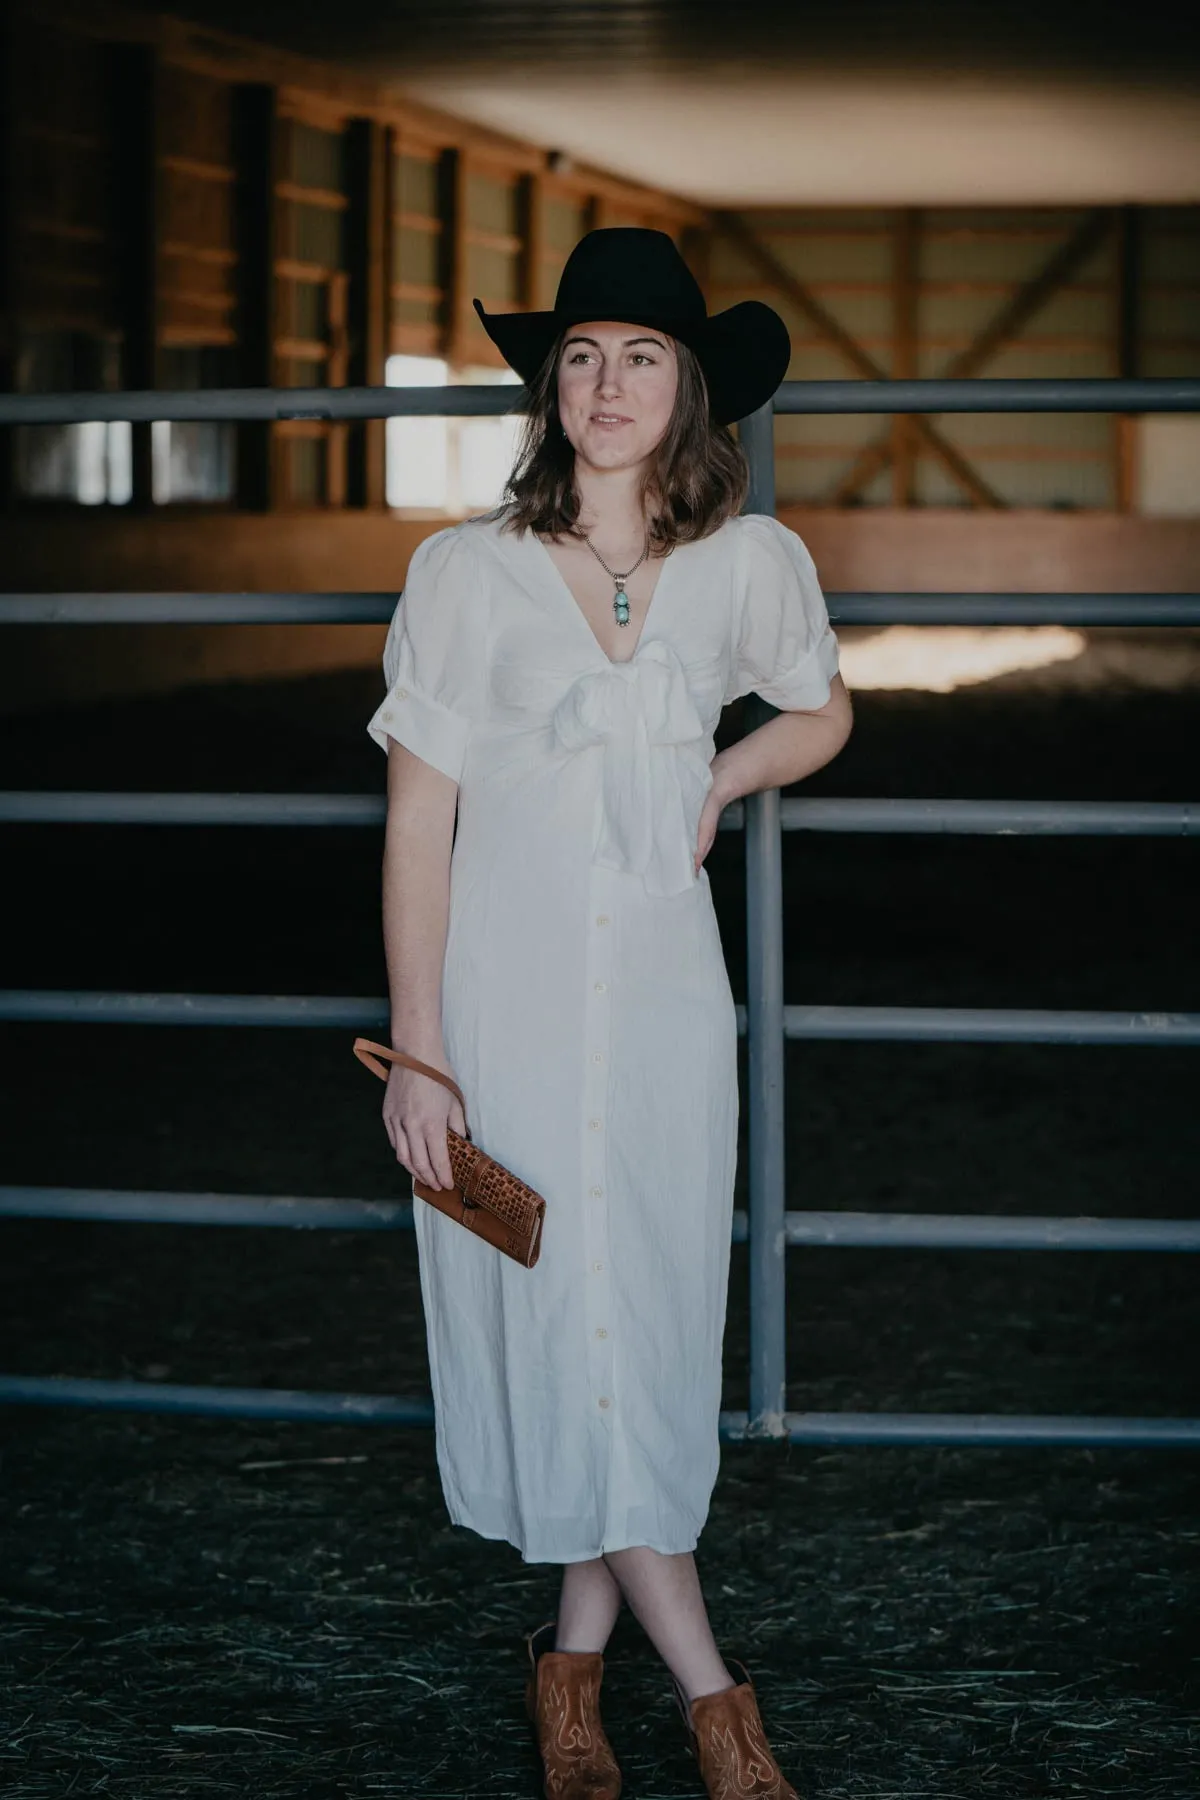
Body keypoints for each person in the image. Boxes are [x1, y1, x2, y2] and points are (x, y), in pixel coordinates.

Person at [367, 228, 853, 1800]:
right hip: (500, 1025)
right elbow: (417, 826)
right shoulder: (467, 574)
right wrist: (420, 1049)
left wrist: (721, 769)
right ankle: (721, 1710)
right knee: (559, 1321)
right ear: (549, 386)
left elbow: (822, 710)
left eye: (641, 355)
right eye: (580, 355)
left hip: (660, 1022)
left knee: (631, 1331)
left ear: (690, 389)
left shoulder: (746, 564)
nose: (607, 383)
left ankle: (569, 1679)